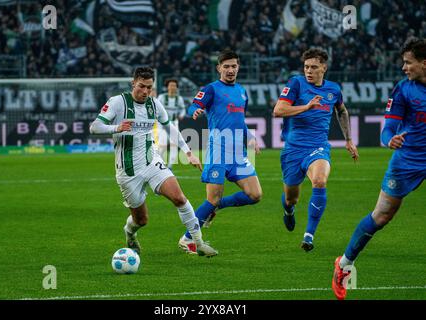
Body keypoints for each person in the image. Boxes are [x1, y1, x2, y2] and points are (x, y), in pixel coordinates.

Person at [332, 38, 426, 300]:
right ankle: (344, 265)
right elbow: (387, 130)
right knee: (382, 215)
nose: (404, 67)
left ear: (424, 63)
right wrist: (389, 141)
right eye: (403, 62)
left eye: (408, 62)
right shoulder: (404, 90)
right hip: (407, 160)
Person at [90, 67, 218, 257]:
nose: (145, 92)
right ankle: (129, 233)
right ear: (133, 83)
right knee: (141, 220)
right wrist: (117, 127)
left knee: (179, 198)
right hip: (128, 170)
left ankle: (198, 243)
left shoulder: (155, 104)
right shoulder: (117, 102)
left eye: (149, 88)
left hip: (152, 162)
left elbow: (170, 128)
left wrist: (188, 152)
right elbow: (95, 127)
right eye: (141, 86)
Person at [273, 48, 359, 252]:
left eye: (313, 67)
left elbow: (342, 111)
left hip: (318, 147)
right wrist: (306, 107)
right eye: (306, 67)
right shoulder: (296, 83)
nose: (308, 71)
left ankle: (309, 236)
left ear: (324, 68)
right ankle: (289, 210)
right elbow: (279, 110)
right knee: (291, 197)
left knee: (320, 180)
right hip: (293, 149)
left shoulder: (333, 89)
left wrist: (348, 139)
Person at [178, 49, 263, 254]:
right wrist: (196, 111)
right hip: (218, 150)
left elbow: (240, 120)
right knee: (211, 198)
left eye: (234, 66)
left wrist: (250, 138)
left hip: (238, 153)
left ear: (238, 67)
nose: (230, 70)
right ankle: (187, 238)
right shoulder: (211, 89)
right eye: (226, 66)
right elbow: (194, 105)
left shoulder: (242, 91)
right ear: (219, 68)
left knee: (255, 194)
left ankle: (218, 207)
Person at [157, 79, 186, 170]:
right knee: (163, 145)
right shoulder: (162, 97)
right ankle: (158, 164)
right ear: (167, 87)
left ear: (176, 87)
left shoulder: (179, 99)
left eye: (174, 85)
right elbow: (156, 108)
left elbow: (183, 109)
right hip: (162, 124)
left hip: (174, 123)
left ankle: (170, 166)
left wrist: (181, 115)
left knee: (174, 145)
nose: (172, 87)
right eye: (171, 85)